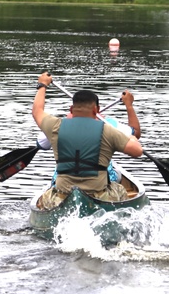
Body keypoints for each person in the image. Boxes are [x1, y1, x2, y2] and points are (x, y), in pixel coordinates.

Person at [31, 71, 144, 210]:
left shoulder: (56, 126)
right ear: (97, 110)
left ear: (71, 109)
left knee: (44, 198)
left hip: (62, 195)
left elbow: (37, 111)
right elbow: (138, 151)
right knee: (120, 190)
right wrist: (131, 138)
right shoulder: (108, 130)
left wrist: (42, 85)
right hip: (99, 195)